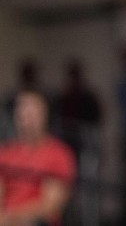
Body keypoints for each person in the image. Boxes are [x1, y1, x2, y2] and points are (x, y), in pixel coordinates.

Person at [0, 91, 76, 226]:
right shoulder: (5, 153)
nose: (26, 114)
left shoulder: (59, 154)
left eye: (33, 108)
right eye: (22, 107)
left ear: (45, 114)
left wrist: (11, 218)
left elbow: (50, 206)